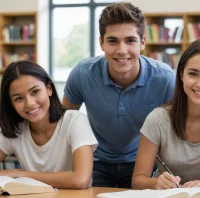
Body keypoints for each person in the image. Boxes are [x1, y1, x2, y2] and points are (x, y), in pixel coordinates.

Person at [62, 1, 175, 188]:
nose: (122, 50)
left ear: (143, 42)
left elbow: (174, 132)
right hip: (96, 161)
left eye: (130, 40)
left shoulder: (165, 78)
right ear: (101, 43)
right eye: (113, 41)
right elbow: (63, 123)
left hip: (143, 164)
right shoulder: (82, 73)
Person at [132, 38, 200, 190]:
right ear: (181, 75)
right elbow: (138, 180)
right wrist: (156, 183)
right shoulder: (157, 119)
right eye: (193, 74)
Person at [0, 60, 98, 189]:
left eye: (34, 92)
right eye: (19, 98)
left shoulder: (75, 121)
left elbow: (80, 179)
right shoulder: (14, 129)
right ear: (11, 104)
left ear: (49, 89)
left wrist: (22, 175)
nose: (29, 103)